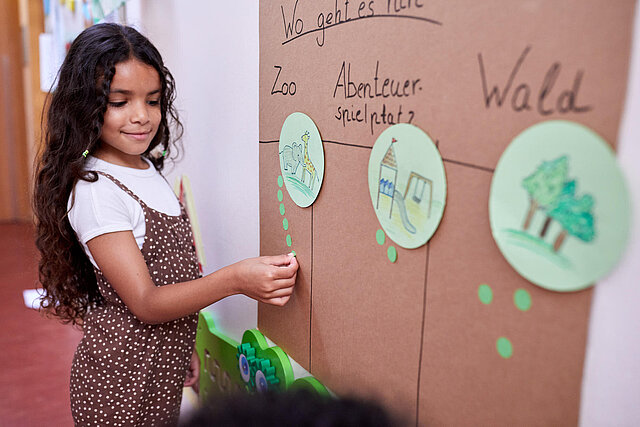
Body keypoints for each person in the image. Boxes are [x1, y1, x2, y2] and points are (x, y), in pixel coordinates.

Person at [32, 23, 298, 426]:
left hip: (161, 367)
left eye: (153, 101)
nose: (142, 116)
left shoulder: (145, 167)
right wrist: (236, 280)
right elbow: (146, 302)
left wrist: (181, 344)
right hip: (118, 383)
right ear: (84, 106)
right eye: (120, 102)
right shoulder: (97, 190)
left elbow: (169, 275)